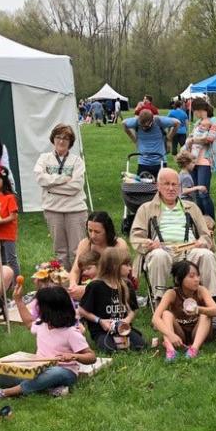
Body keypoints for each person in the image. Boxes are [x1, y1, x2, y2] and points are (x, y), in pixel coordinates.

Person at [0, 286, 95, 399]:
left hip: (64, 372)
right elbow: (28, 322)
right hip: (38, 370)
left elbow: (91, 356)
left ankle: (7, 393)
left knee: (53, 373)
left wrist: (73, 356)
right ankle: (47, 388)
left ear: (49, 310)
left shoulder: (71, 332)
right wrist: (18, 300)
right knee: (1, 376)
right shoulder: (42, 325)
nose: (36, 307)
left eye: (39, 305)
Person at [130, 169, 216, 299]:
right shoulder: (146, 208)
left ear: (179, 187)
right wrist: (148, 244)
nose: (171, 188)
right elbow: (136, 237)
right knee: (158, 256)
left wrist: (202, 242)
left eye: (174, 184)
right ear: (158, 186)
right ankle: (160, 302)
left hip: (190, 249)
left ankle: (210, 303)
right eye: (166, 184)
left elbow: (206, 235)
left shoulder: (192, 207)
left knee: (206, 255)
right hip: (162, 249)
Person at [34, 123, 89, 267]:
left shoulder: (77, 161)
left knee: (78, 251)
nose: (61, 141)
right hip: (53, 210)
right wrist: (64, 179)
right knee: (60, 252)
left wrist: (51, 187)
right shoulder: (44, 158)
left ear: (70, 142)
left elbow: (76, 186)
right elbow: (40, 178)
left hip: (75, 210)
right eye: (58, 137)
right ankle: (63, 285)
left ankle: (78, 284)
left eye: (66, 138)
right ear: (53, 139)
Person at [151, 259, 216, 361]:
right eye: (191, 276)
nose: (196, 279)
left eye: (198, 275)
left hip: (198, 333)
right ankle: (170, 350)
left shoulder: (201, 290)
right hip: (180, 334)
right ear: (179, 279)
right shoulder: (171, 293)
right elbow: (155, 318)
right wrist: (171, 335)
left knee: (205, 314)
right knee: (166, 314)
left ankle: (194, 349)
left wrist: (198, 310)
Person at [79, 246, 145, 353]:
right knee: (110, 349)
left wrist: (127, 320)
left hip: (122, 328)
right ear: (114, 266)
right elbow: (82, 310)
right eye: (126, 265)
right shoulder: (95, 286)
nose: (130, 268)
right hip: (102, 331)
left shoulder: (127, 284)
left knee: (140, 346)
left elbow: (133, 309)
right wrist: (100, 321)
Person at [68, 211, 129, 299]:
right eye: (90, 230)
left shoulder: (119, 244)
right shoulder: (85, 243)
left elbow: (115, 274)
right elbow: (75, 270)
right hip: (89, 284)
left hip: (114, 286)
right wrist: (73, 285)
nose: (92, 236)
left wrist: (88, 289)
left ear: (107, 231)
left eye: (97, 232)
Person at [123, 109, 179, 179]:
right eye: (141, 125)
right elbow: (124, 123)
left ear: (152, 120)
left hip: (160, 161)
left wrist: (169, 138)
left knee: (161, 186)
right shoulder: (136, 121)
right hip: (143, 163)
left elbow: (177, 123)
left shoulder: (159, 121)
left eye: (146, 126)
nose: (143, 128)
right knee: (143, 187)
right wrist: (134, 139)